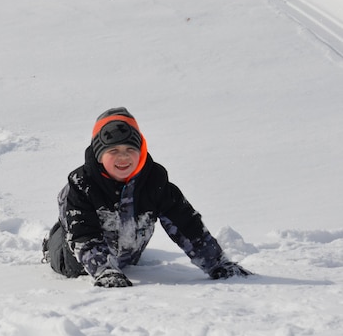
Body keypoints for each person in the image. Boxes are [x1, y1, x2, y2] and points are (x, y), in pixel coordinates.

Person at [41, 107, 252, 287]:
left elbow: (187, 226)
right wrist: (104, 270)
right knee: (65, 259)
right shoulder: (82, 184)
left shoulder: (155, 181)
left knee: (126, 251)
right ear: (99, 154)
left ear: (141, 151)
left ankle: (115, 257)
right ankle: (53, 240)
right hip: (80, 258)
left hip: (128, 247)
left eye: (130, 149)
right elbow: (83, 234)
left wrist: (217, 263)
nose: (123, 156)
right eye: (113, 150)